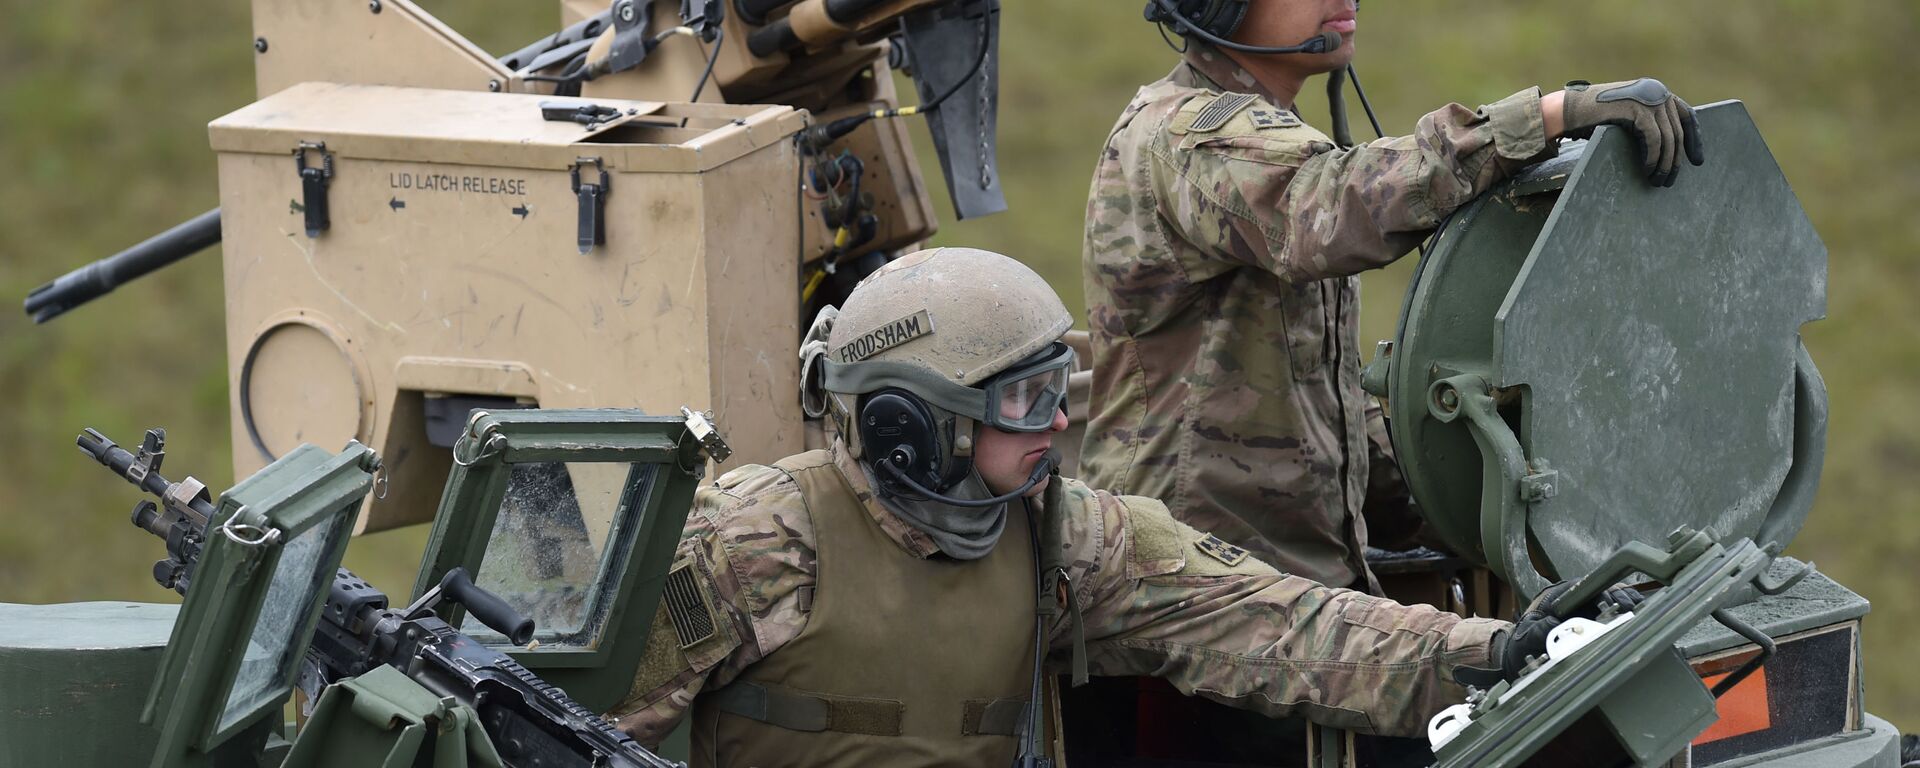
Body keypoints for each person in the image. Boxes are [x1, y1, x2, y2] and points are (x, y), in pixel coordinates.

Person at [609, 247, 1555, 767]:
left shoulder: (1068, 537)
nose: (1060, 419)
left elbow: (1286, 630)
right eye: (1023, 400)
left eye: (1057, 384)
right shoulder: (750, 541)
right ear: (912, 424)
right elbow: (568, 734)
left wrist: (1502, 656)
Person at [1080, 0, 1706, 592]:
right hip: (1190, 591)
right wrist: (1547, 118)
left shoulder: (1265, 129)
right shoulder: (1189, 134)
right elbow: (1328, 204)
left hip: (1285, 585)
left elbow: (1316, 400)